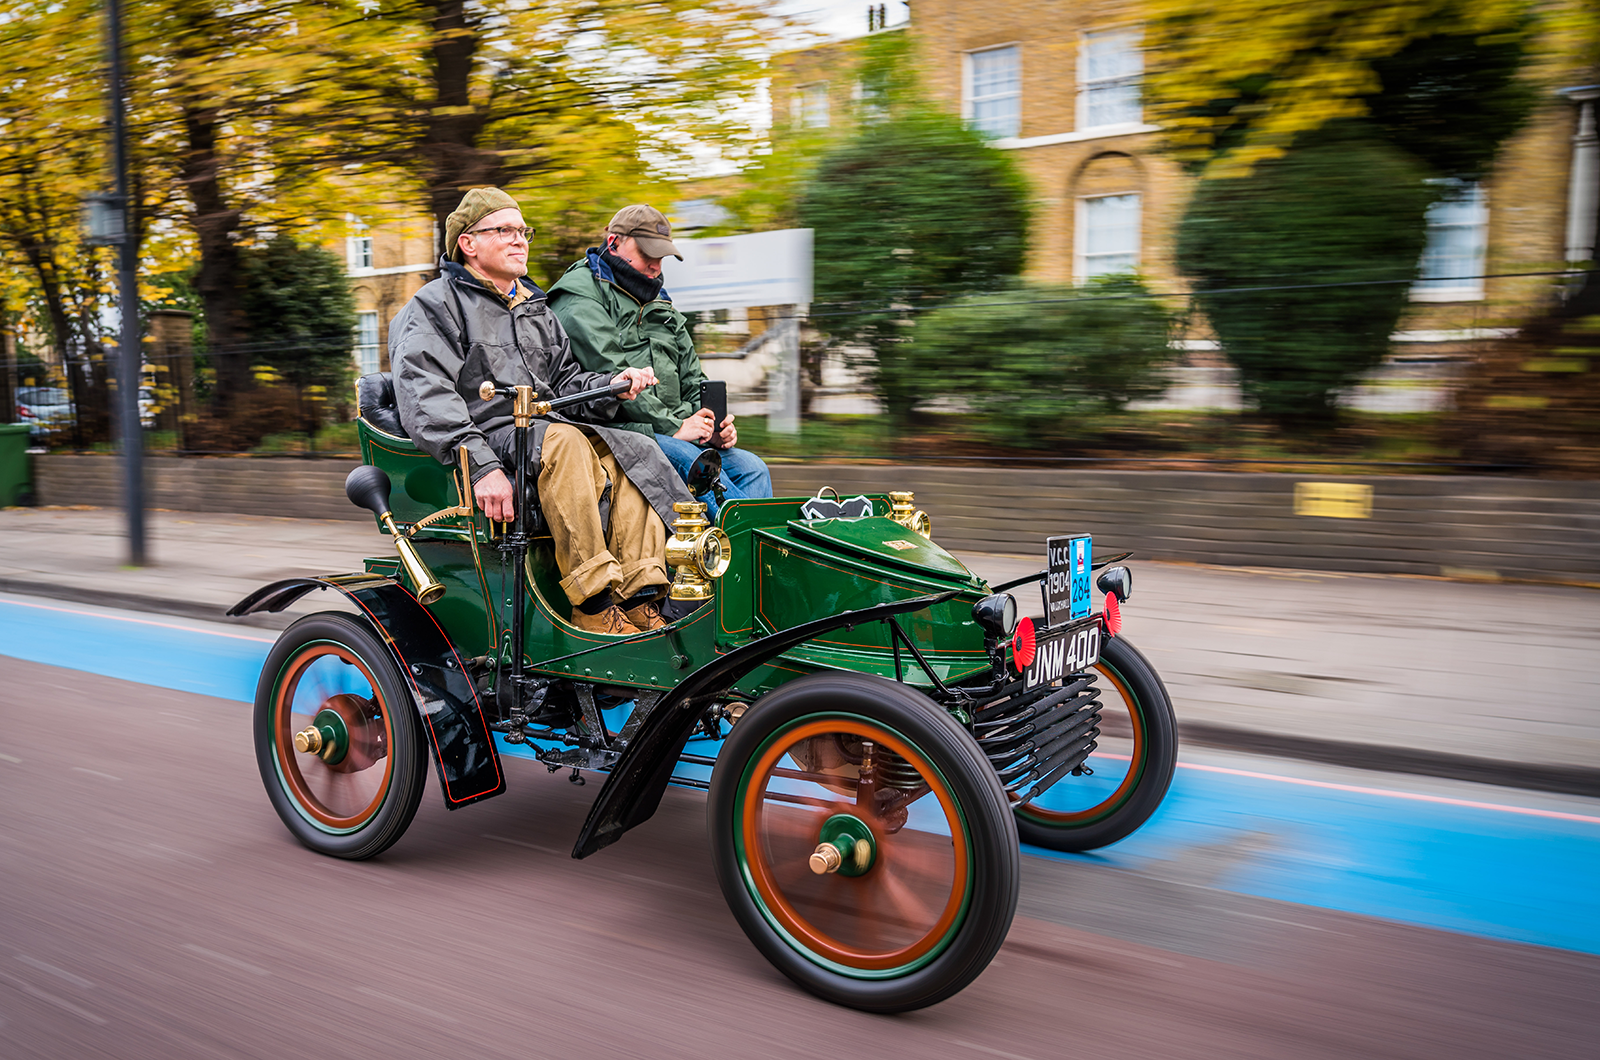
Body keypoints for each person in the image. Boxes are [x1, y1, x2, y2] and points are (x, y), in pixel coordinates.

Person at [390, 187, 693, 636]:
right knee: (566, 440)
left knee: (633, 448)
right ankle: (593, 607)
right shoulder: (434, 306)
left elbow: (566, 383)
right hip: (491, 434)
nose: (519, 240)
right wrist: (480, 466)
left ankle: (639, 598)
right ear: (468, 244)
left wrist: (611, 385)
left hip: (542, 430)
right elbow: (426, 395)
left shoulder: (535, 308)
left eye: (522, 231)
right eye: (504, 230)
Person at [547, 204, 772, 521]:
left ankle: (740, 558)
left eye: (662, 256)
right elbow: (617, 377)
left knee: (752, 468)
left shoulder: (660, 301)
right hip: (613, 430)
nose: (656, 266)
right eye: (647, 254)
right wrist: (677, 427)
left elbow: (694, 377)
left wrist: (712, 424)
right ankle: (747, 547)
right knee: (693, 463)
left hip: (673, 432)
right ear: (613, 243)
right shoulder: (579, 296)